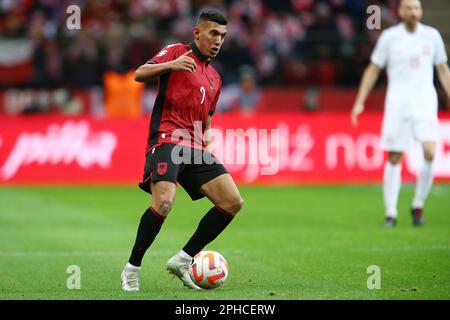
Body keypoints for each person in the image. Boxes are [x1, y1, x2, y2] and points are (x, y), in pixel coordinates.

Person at [120, 9, 244, 291]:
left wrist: (207, 135)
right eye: (213, 33)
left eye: (223, 36)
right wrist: (171, 65)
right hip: (167, 138)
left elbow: (208, 115)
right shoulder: (176, 51)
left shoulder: (215, 78)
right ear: (197, 33)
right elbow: (140, 74)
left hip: (194, 145)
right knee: (164, 202)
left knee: (232, 201)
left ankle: (183, 258)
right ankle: (132, 268)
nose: (218, 40)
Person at [351, 0, 450, 227]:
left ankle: (417, 204)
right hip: (397, 105)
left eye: (417, 8)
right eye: (409, 8)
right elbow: (373, 69)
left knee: (430, 151)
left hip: (425, 103)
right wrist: (360, 102)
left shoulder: (432, 36)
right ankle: (391, 212)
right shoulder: (390, 38)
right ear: (401, 11)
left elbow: (443, 69)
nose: (414, 12)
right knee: (394, 157)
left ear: (421, 11)